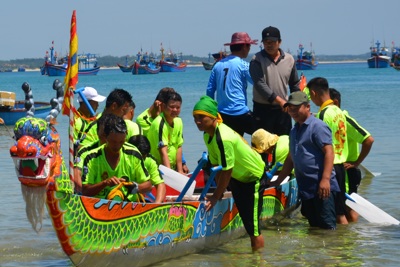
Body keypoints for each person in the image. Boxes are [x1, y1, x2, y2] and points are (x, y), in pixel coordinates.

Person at [192, 95, 266, 250]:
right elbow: (216, 165)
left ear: (213, 117)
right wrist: (222, 190)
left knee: (253, 229)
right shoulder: (207, 135)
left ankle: (258, 261)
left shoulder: (223, 138)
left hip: (253, 177)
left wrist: (216, 196)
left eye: (201, 117)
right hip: (237, 177)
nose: (197, 121)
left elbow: (227, 170)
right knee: (247, 222)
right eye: (195, 118)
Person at [276, 91, 340, 229]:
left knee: (327, 229)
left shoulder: (317, 126)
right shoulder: (294, 130)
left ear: (307, 107)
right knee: (314, 229)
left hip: (322, 188)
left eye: (296, 108)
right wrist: (278, 181)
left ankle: (335, 250)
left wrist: (325, 179)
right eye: (290, 109)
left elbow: (329, 152)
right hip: (306, 189)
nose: (293, 112)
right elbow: (291, 158)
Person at [81, 115, 152, 201]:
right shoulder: (92, 158)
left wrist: (135, 187)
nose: (117, 146)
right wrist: (105, 183)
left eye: (121, 141)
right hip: (101, 206)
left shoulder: (133, 154)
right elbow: (85, 191)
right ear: (105, 137)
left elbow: (148, 186)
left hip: (129, 206)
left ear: (126, 136)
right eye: (113, 142)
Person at [307, 77, 349, 225]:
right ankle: (346, 242)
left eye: (310, 96)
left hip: (330, 168)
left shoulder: (323, 114)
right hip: (340, 165)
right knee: (340, 211)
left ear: (313, 93)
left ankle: (338, 245)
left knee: (335, 213)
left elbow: (321, 142)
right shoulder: (338, 111)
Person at [329, 88, 374, 222]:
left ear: (335, 103)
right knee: (343, 206)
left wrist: (357, 163)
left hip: (349, 170)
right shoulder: (332, 119)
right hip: (340, 169)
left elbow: (368, 139)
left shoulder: (345, 119)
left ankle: (352, 236)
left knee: (349, 207)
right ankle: (350, 234)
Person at [250, 26, 300, 136]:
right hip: (262, 109)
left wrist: (297, 103)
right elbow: (259, 84)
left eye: (272, 42)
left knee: (284, 145)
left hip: (283, 110)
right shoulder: (256, 60)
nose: (269, 45)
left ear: (279, 42)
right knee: (261, 148)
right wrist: (279, 100)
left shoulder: (289, 59)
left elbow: (294, 83)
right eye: (266, 42)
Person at [206, 32, 257, 136]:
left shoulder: (217, 65)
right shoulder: (243, 65)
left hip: (222, 114)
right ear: (244, 47)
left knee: (229, 145)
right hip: (241, 113)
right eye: (249, 46)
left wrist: (212, 113)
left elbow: (210, 91)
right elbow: (258, 83)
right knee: (262, 136)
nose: (249, 49)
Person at [148, 91, 186, 174]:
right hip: (157, 167)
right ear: (164, 106)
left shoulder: (178, 121)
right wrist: (170, 174)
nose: (175, 110)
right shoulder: (159, 123)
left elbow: (178, 147)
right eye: (172, 107)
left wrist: (180, 171)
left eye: (178, 107)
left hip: (171, 166)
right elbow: (163, 152)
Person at [128, 135, 166, 203]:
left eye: (143, 158)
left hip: (139, 199)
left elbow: (160, 185)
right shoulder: (123, 157)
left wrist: (156, 205)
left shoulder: (150, 160)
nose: (141, 161)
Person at [73, 86, 106, 153]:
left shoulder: (96, 118)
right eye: (95, 102)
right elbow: (75, 147)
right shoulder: (76, 122)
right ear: (86, 103)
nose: (98, 105)